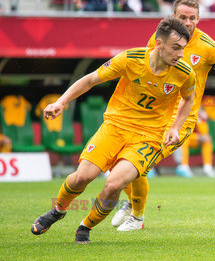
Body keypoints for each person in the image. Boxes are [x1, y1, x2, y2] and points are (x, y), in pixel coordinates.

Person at [31, 17, 196, 244]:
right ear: (159, 44)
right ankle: (57, 210)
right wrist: (61, 102)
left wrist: (175, 128)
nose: (180, 54)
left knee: (114, 184)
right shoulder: (131, 59)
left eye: (183, 49)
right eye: (176, 48)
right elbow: (90, 80)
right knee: (82, 177)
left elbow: (189, 99)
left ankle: (85, 227)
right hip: (115, 127)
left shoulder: (185, 73)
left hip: (148, 137)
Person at [111, 0, 215, 232]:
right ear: (173, 17)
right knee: (120, 159)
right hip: (153, 113)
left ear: (198, 19)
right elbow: (145, 71)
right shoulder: (159, 39)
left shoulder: (209, 47)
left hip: (182, 119)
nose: (188, 22)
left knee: (139, 162)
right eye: (182, 17)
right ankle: (131, 203)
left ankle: (137, 215)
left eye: (192, 18)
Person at [175, 107, 215, 178]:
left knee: (207, 141)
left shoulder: (199, 114)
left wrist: (200, 119)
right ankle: (183, 166)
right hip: (177, 140)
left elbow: (204, 134)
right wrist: (199, 137)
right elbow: (181, 133)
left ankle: (207, 167)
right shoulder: (182, 111)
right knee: (184, 140)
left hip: (193, 139)